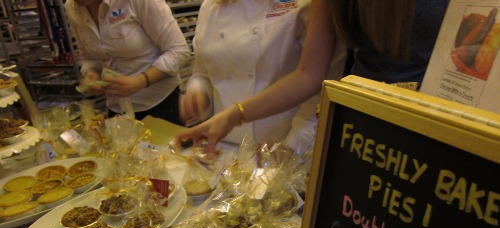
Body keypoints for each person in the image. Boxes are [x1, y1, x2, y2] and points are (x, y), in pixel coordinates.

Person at [175, 0, 449, 155]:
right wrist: (228, 111)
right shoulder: (212, 7)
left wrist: (293, 147)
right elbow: (309, 75)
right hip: (360, 115)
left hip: (434, 112)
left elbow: (316, 81)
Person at [179, 0, 347, 151]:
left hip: (282, 147)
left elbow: (320, 88)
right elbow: (202, 72)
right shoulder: (211, 6)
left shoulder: (306, 5)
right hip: (222, 146)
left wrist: (293, 148)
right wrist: (198, 91)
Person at [65, 0, 191, 124]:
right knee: (123, 144)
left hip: (160, 104)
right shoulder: (72, 8)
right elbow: (88, 57)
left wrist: (141, 81)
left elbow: (179, 50)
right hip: (117, 108)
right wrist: (92, 73)